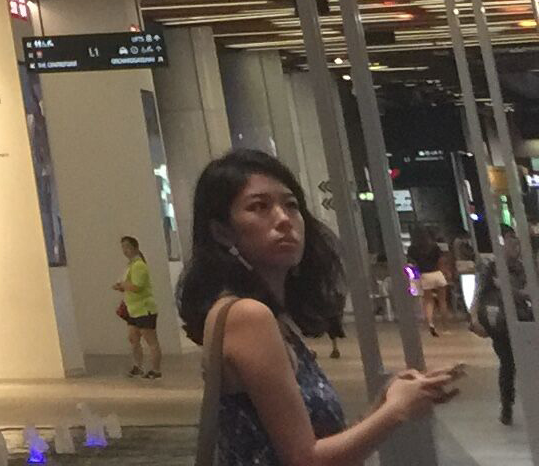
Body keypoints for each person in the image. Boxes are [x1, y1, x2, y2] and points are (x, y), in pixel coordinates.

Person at [179, 150, 456, 466]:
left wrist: (384, 404)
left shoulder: (271, 316)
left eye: (291, 205)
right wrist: (396, 411)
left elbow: (310, 442)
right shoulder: (248, 316)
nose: (283, 219)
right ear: (221, 231)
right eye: (259, 207)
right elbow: (304, 460)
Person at [474, 264, 518, 429]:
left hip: (501, 330)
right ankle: (507, 404)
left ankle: (507, 405)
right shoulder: (498, 270)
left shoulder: (493, 272)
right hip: (503, 330)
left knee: (507, 366)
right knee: (508, 366)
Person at [116, 234, 163, 379]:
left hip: (144, 308)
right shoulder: (130, 266)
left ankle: (156, 370)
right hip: (133, 310)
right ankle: (138, 366)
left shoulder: (139, 266)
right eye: (123, 247)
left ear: (135, 248)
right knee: (133, 338)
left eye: (128, 247)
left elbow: (137, 286)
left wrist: (123, 285)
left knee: (151, 340)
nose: (125, 250)